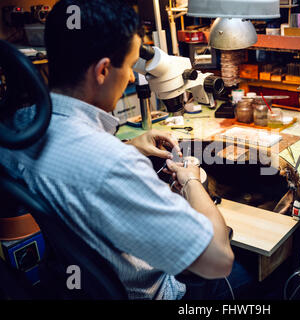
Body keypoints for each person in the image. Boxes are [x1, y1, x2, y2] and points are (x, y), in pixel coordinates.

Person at [0, 0, 241, 300]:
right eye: (128, 67)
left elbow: (75, 158)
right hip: (157, 294)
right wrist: (192, 179)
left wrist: (127, 145)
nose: (130, 78)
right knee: (246, 272)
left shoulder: (17, 129)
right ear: (102, 71)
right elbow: (218, 259)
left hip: (78, 289)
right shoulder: (113, 165)